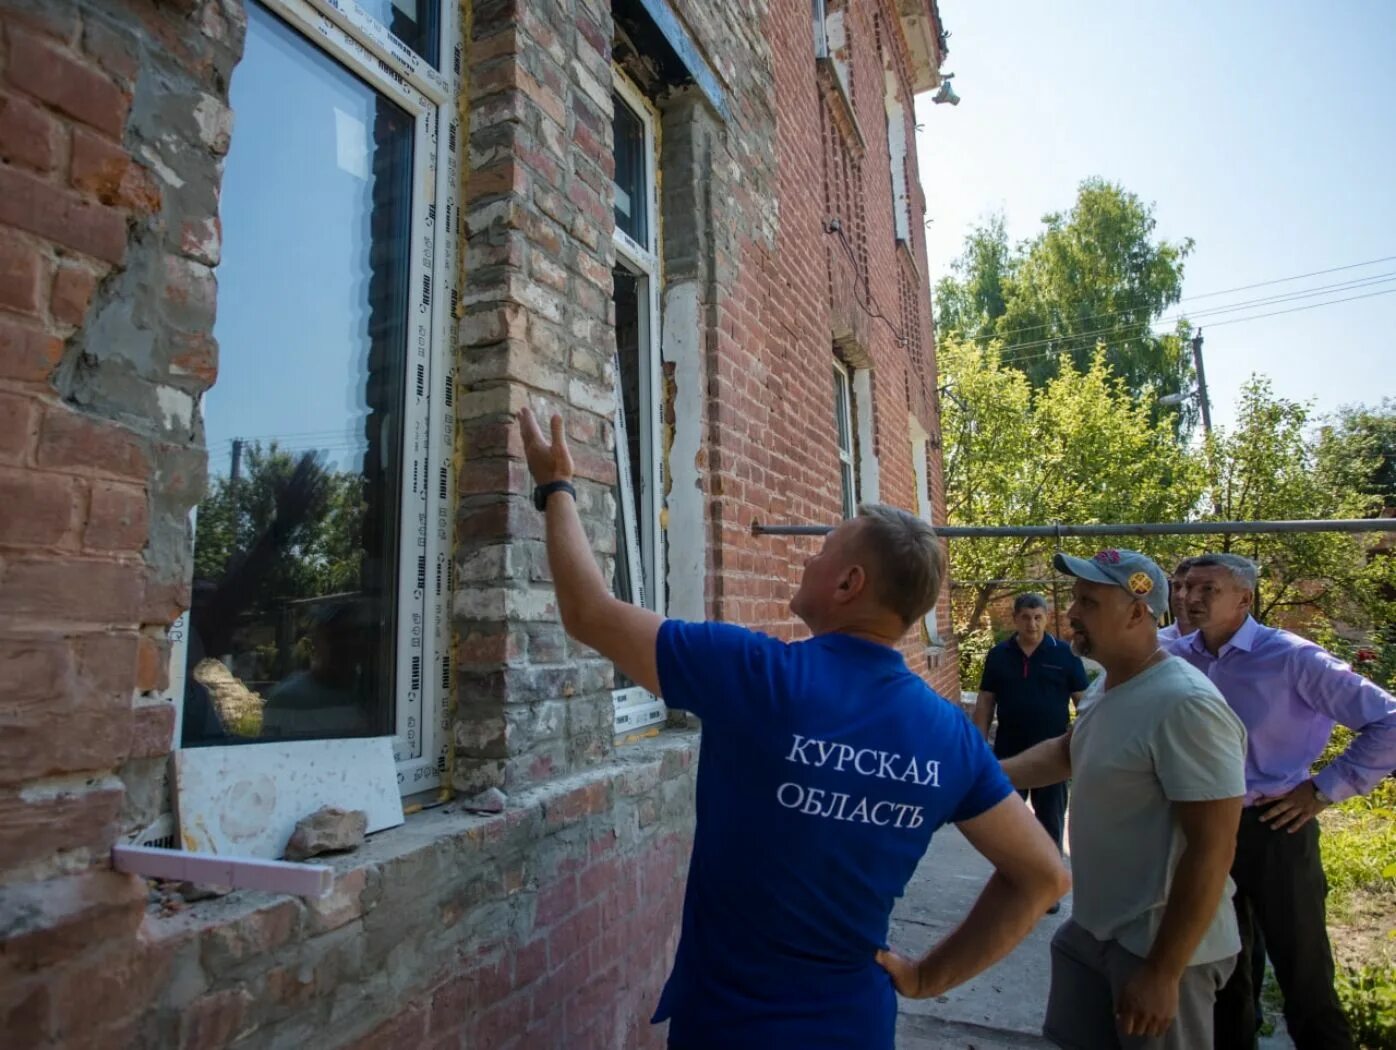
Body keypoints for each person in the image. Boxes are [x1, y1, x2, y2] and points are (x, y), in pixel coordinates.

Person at [516, 407, 1069, 1050]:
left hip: (730, 1029)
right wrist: (924, 978)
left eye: (822, 550)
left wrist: (555, 487)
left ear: (848, 582)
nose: (809, 560)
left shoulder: (756, 676)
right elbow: (1045, 876)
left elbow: (588, 613)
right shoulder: (949, 737)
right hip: (854, 1026)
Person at [1002, 548, 1247, 1049]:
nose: (1070, 613)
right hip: (1095, 928)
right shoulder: (1109, 685)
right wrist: (977, 779)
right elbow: (1068, 751)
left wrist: (1163, 972)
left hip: (1159, 944)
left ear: (1138, 612)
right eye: (1075, 599)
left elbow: (1214, 848)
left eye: (1088, 602)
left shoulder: (1186, 704)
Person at [1168, 553, 1396, 1050]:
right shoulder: (1176, 656)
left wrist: (1322, 790)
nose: (1189, 598)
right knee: (1222, 971)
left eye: (1208, 590)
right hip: (1204, 830)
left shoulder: (1292, 657)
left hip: (1275, 827)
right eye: (1186, 588)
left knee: (1304, 972)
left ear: (1244, 599)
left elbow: (1389, 721)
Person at [973, 594, 1088, 879]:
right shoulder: (999, 655)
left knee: (1050, 819)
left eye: (1037, 617)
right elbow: (986, 702)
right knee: (1006, 820)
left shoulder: (1065, 654)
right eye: (1025, 617)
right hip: (1009, 751)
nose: (1032, 624)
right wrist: (976, 747)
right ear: (1015, 619)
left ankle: (1047, 881)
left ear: (1047, 618)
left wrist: (1080, 746)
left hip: (1053, 754)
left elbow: (1084, 704)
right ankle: (1012, 878)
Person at [1157, 557, 1200, 644]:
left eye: (1189, 587)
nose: (1180, 595)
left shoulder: (1225, 645)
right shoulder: (1154, 643)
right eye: (1177, 587)